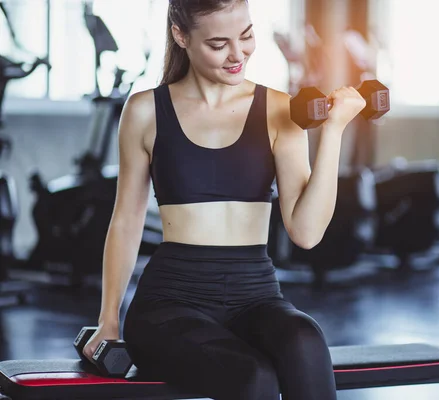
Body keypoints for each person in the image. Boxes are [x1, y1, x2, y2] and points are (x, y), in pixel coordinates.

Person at [82, 0, 366, 399]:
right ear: (181, 36)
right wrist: (107, 320)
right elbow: (126, 221)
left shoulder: (279, 109)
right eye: (219, 44)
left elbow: (306, 233)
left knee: (305, 342)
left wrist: (334, 131)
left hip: (257, 297)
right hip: (170, 304)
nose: (238, 54)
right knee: (253, 377)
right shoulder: (145, 111)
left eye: (246, 36)